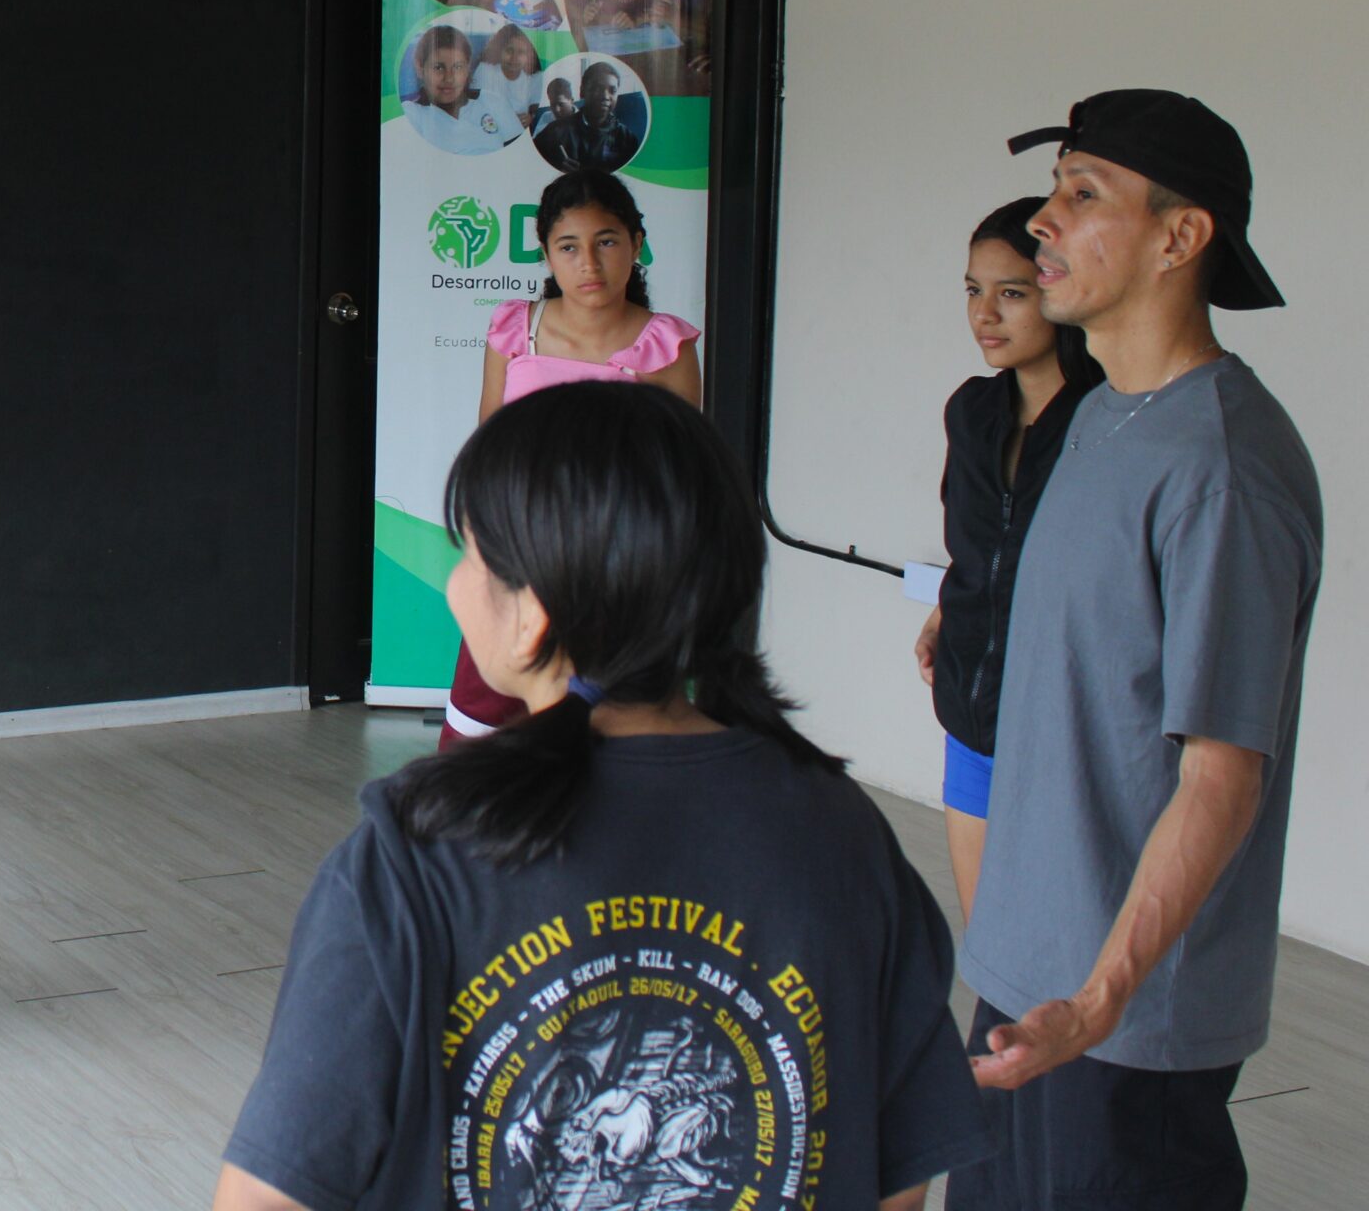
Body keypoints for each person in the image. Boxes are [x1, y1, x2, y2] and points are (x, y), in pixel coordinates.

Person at [216, 382, 988, 1211]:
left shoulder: (415, 852)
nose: (456, 583)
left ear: (532, 619)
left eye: (470, 554)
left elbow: (267, 1200)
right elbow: (896, 1185)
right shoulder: (846, 834)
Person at [953, 91, 1320, 1209]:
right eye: (1055, 188)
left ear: (1179, 237)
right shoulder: (1104, 415)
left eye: (1082, 192)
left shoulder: (1220, 466)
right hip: (1027, 981)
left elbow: (1221, 772)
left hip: (1122, 1032)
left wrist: (1101, 1000)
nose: (1046, 223)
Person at [441, 170, 700, 751]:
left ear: (636, 244)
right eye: (569, 247)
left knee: (605, 726)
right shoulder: (516, 330)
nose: (589, 263)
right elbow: (490, 444)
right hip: (519, 555)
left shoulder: (666, 346)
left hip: (616, 568)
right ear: (546, 253)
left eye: (607, 241)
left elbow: (681, 478)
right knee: (483, 720)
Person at [912, 196, 1102, 926]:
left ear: (1059, 291)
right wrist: (944, 610)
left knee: (1064, 952)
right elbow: (980, 544)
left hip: (1066, 728)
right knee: (992, 942)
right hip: (972, 710)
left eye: (1012, 293)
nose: (984, 314)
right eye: (973, 290)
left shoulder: (1105, 420)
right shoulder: (972, 411)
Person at [400, 25, 518, 156]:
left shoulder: (493, 102)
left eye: (457, 67)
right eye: (438, 67)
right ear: (420, 68)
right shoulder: (412, 114)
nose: (449, 78)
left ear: (468, 68)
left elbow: (519, 158)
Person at [535, 60, 643, 174]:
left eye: (613, 90)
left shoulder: (627, 139)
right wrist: (557, 172)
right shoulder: (555, 133)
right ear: (582, 91)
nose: (605, 96)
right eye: (597, 88)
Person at [472, 26, 544, 131]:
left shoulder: (536, 76)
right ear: (499, 50)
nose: (514, 58)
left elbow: (536, 109)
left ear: (530, 55)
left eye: (521, 52)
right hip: (489, 129)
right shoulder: (485, 69)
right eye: (509, 50)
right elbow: (474, 108)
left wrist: (530, 118)